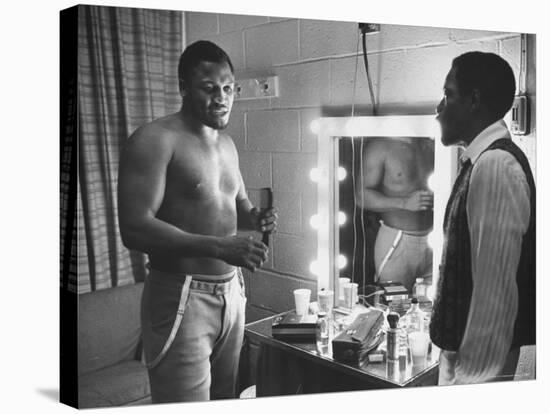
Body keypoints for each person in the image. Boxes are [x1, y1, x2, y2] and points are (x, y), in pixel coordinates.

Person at [117, 40, 277, 402]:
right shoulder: (155, 140)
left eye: (227, 88)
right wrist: (220, 246)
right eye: (208, 88)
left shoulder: (228, 145)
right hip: (182, 294)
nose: (221, 97)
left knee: (224, 400)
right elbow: (134, 227)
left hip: (232, 292)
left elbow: (239, 206)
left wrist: (257, 217)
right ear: (184, 88)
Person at [430, 51, 535, 385]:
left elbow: (494, 303)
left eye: (448, 95)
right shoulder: (480, 163)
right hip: (462, 362)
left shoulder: (495, 167)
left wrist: (468, 385)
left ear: (474, 100)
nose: (439, 108)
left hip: (474, 373)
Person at [355, 137, 434, 292]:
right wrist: (404, 202)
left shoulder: (431, 143)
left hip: (433, 240)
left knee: (431, 309)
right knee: (396, 308)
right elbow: (361, 196)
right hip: (397, 242)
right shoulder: (380, 146)